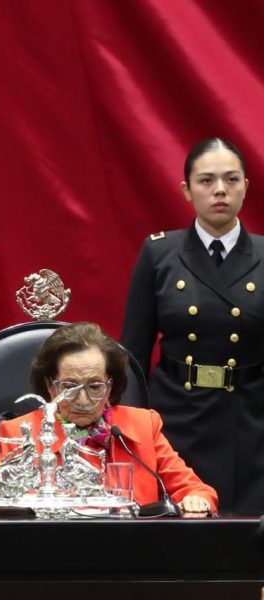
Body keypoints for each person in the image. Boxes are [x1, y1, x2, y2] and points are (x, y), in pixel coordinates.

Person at [121, 137, 264, 515]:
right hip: (175, 418)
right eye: (206, 180)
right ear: (186, 190)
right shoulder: (159, 253)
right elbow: (132, 353)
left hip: (249, 420)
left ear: (246, 187)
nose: (220, 190)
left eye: (232, 180)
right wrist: (133, 428)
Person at [0, 322, 218, 517]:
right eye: (69, 387)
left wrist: (195, 500)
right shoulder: (21, 432)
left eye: (94, 386)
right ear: (50, 387)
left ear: (109, 386)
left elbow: (194, 490)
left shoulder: (144, 425)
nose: (82, 400)